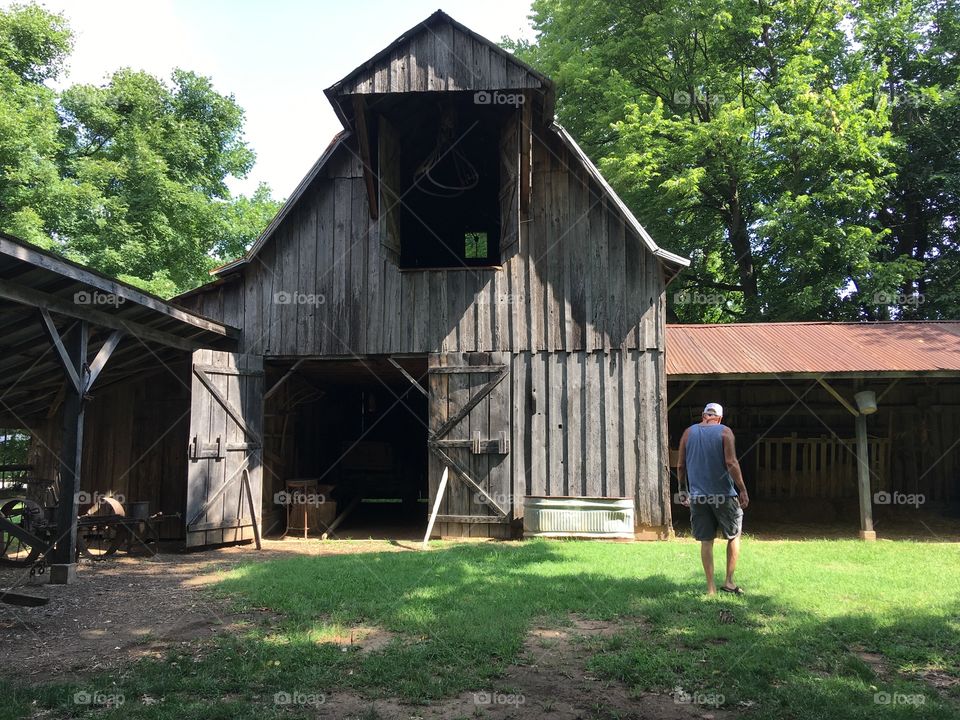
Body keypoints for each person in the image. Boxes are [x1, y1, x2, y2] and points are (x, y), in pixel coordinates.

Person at [677, 402, 750, 595]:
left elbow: (681, 465)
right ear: (720, 418)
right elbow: (731, 462)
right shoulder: (725, 432)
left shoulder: (688, 433)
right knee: (734, 535)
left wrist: (682, 489)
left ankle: (710, 589)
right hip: (724, 495)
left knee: (706, 541)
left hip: (698, 497)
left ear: (703, 415)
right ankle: (728, 582)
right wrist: (742, 488)